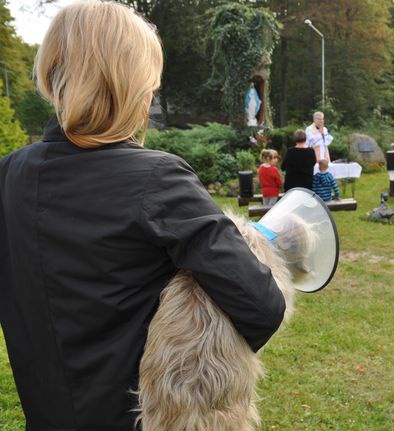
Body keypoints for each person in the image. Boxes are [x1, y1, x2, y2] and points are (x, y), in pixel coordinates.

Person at [0, 2, 286, 429]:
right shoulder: (157, 179)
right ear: (132, 82)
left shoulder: (9, 174)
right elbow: (260, 304)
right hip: (139, 419)